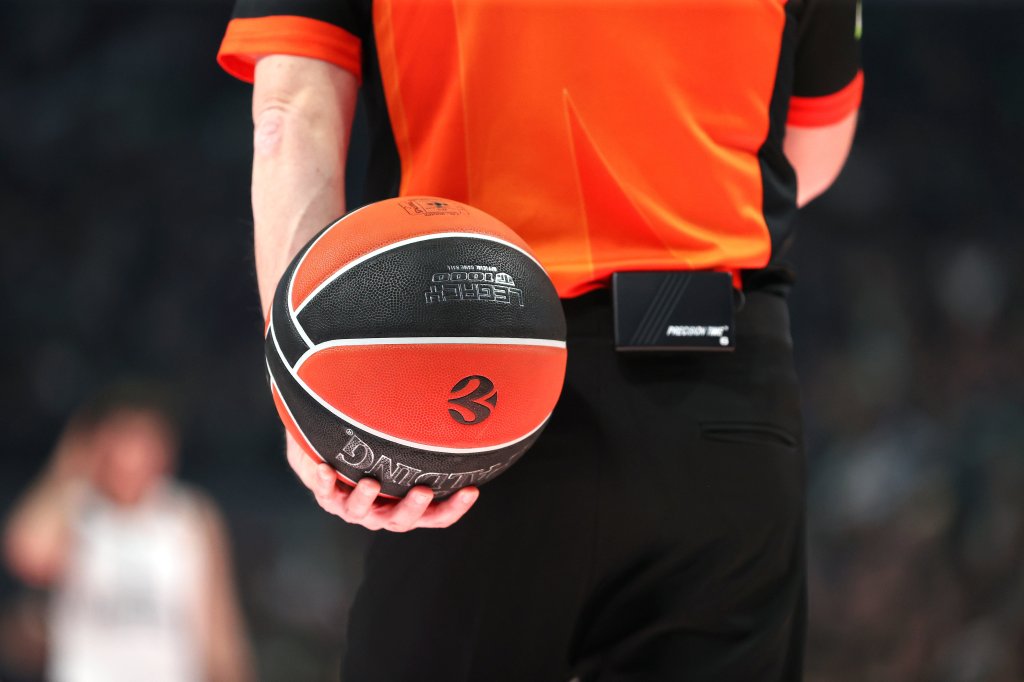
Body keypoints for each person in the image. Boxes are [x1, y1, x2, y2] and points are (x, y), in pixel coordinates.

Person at [217, 1, 862, 679]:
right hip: (719, 374)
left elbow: (289, 118)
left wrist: (304, 384)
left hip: (464, 375)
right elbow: (814, 147)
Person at [3, 383, 255, 682]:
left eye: (148, 439)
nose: (136, 455)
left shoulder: (189, 516)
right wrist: (71, 462)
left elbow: (219, 630)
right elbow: (28, 555)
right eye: (124, 437)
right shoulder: (76, 508)